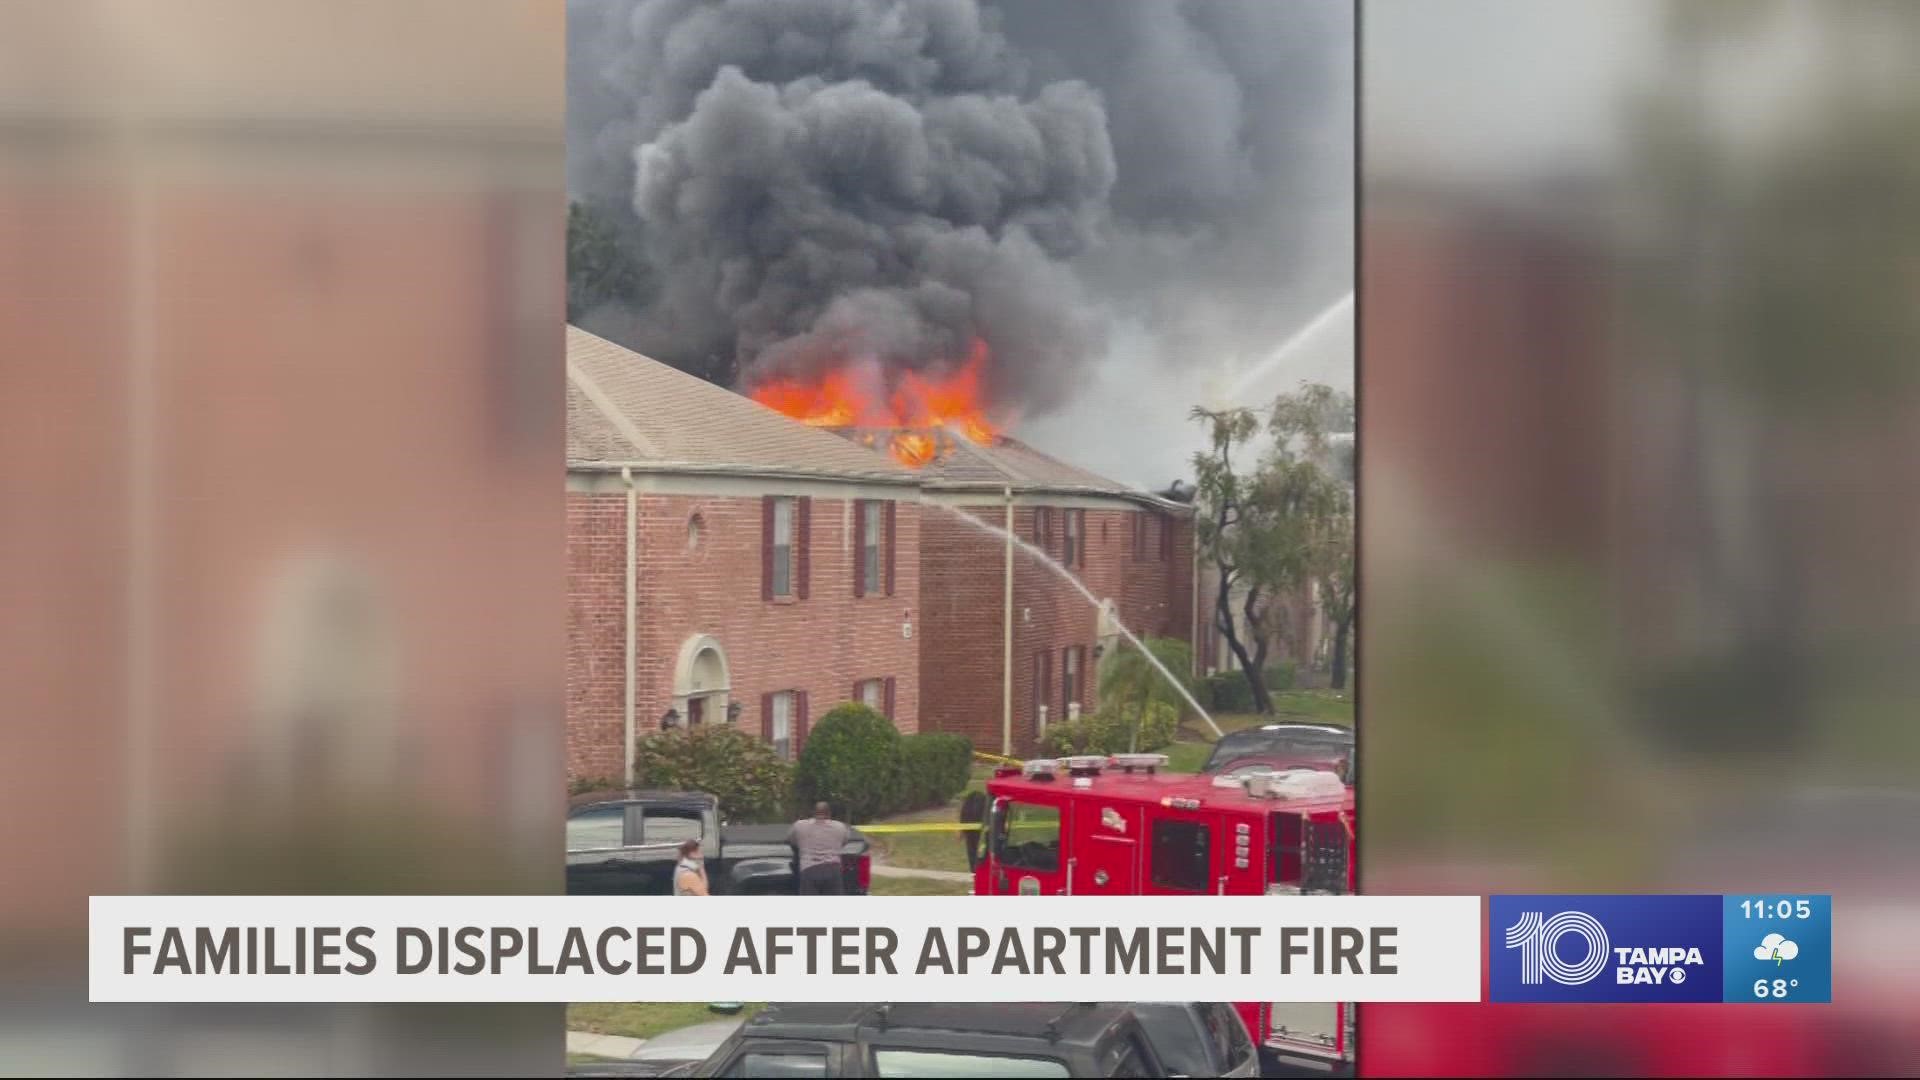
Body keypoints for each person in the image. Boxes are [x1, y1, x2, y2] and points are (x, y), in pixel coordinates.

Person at [786, 801, 851, 896]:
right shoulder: (840, 827)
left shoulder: (799, 825)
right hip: (833, 870)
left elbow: (791, 840)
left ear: (813, 813)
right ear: (829, 813)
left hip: (809, 870)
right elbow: (844, 842)